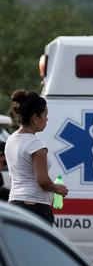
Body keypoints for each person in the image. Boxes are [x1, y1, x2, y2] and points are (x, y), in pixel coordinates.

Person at [4, 90, 68, 224]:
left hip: (15, 203)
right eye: (45, 114)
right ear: (35, 118)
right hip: (36, 208)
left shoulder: (11, 139)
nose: (47, 118)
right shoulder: (35, 144)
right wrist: (58, 189)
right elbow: (42, 180)